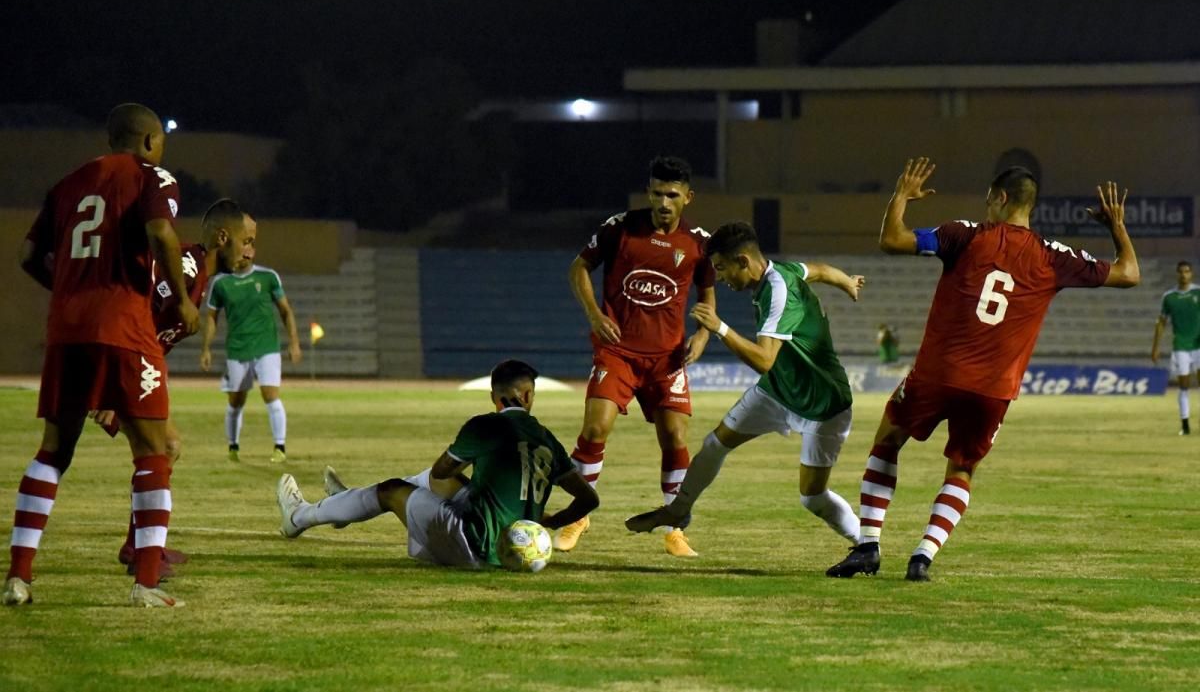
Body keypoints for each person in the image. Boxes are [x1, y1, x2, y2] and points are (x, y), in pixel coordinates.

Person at [826, 158, 1139, 582]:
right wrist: (1115, 226)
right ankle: (922, 557)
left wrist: (901, 194)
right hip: (993, 389)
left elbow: (892, 240)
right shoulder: (1054, 257)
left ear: (1000, 197)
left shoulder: (966, 235)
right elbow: (1129, 273)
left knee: (889, 437)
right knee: (961, 468)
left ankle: (867, 546)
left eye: (989, 199)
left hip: (937, 374)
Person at [5, 103, 197, 608]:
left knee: (53, 451)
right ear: (151, 141)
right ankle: (146, 584)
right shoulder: (150, 176)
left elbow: (28, 257)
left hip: (66, 330)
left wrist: (67, 288)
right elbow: (160, 234)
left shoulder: (68, 182)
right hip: (126, 328)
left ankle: (18, 577)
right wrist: (181, 299)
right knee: (153, 450)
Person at [625, 222, 864, 549]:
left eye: (722, 269)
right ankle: (677, 511)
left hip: (821, 403)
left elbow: (764, 359)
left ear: (743, 261)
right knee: (715, 444)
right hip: (777, 390)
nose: (720, 278)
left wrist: (719, 328)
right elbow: (820, 270)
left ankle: (865, 543)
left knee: (812, 498)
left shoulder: (780, 291)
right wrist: (847, 282)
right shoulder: (782, 271)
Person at [274, 360, 600, 569]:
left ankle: (299, 516)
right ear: (528, 396)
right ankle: (344, 504)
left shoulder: (484, 425)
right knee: (444, 486)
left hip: (478, 545)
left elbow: (440, 471)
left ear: (494, 396)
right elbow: (589, 499)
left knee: (391, 491)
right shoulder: (547, 438)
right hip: (515, 546)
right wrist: (553, 522)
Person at [556, 155, 716, 558]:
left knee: (675, 437)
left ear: (688, 198)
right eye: (658, 193)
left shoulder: (698, 243)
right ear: (649, 192)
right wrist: (594, 315)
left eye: (673, 195)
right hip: (618, 352)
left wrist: (702, 334)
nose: (664, 202)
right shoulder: (620, 228)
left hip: (667, 359)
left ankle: (674, 527)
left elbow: (708, 293)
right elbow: (578, 268)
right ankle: (579, 514)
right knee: (595, 430)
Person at [98, 198, 252, 579]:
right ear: (223, 237)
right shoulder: (186, 269)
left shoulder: (196, 272)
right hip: (120, 364)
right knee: (164, 447)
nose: (250, 251)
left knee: (164, 448)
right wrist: (106, 386)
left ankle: (140, 545)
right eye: (246, 241)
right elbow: (133, 314)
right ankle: (142, 551)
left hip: (134, 364)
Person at [199, 215, 302, 463]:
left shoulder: (268, 278)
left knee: (271, 395)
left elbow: (286, 310)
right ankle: (233, 447)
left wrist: (294, 341)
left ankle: (280, 447)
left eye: (249, 246)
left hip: (267, 347)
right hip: (237, 349)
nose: (245, 251)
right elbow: (211, 317)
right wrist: (206, 348)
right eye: (241, 246)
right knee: (236, 401)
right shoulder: (221, 283)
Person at [1150, 261, 1200, 435]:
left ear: (1191, 274)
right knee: (1184, 385)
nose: (1184, 275)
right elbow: (1161, 323)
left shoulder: (1198, 292)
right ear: (1177, 274)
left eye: (1187, 271)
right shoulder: (1169, 297)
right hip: (1181, 346)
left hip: (1198, 345)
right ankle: (1185, 424)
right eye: (1181, 272)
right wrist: (1155, 347)